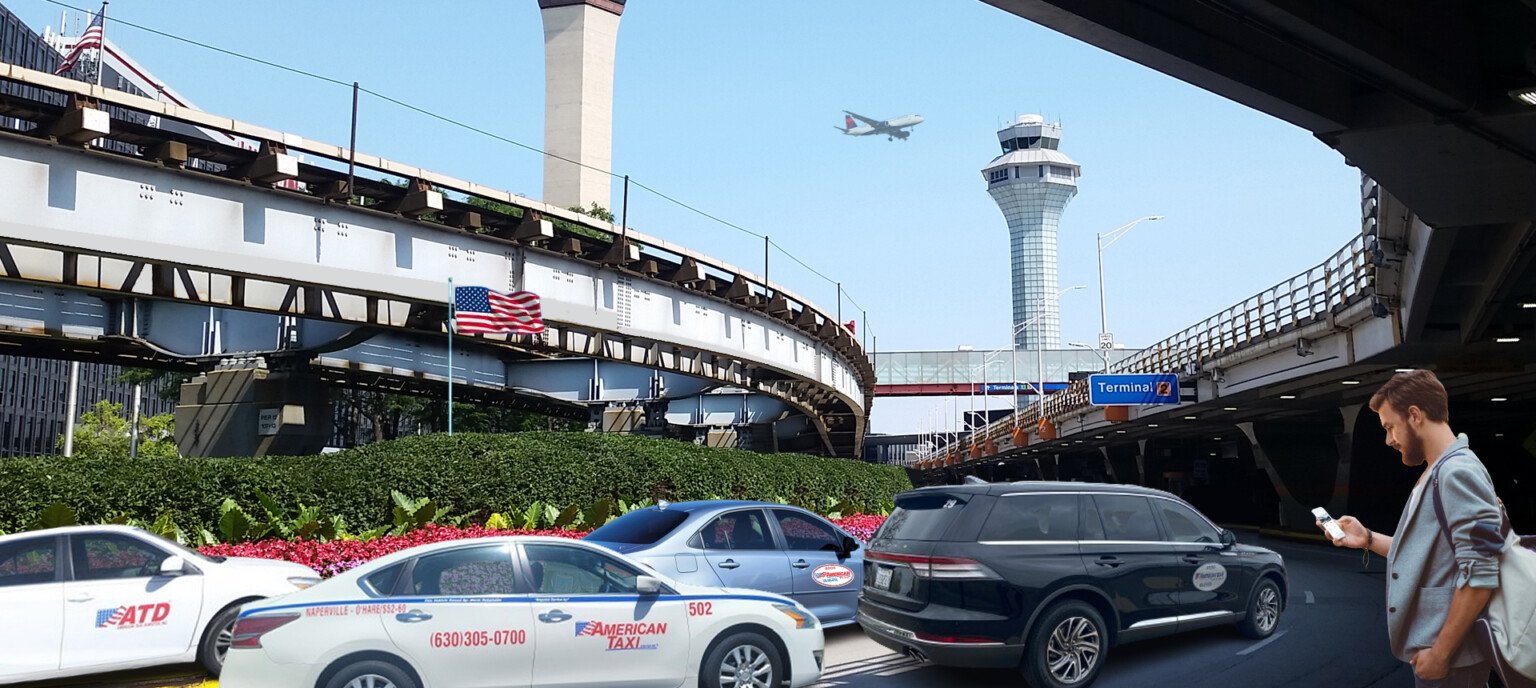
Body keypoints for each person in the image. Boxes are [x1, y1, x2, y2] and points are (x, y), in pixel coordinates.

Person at [1318, 369, 1503, 687]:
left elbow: (1481, 573)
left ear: (1415, 415)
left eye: (1390, 427)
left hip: (1452, 659)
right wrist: (1368, 538)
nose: (1388, 439)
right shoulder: (1437, 470)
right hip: (1441, 654)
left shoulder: (1458, 472)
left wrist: (1441, 654)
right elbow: (1427, 556)